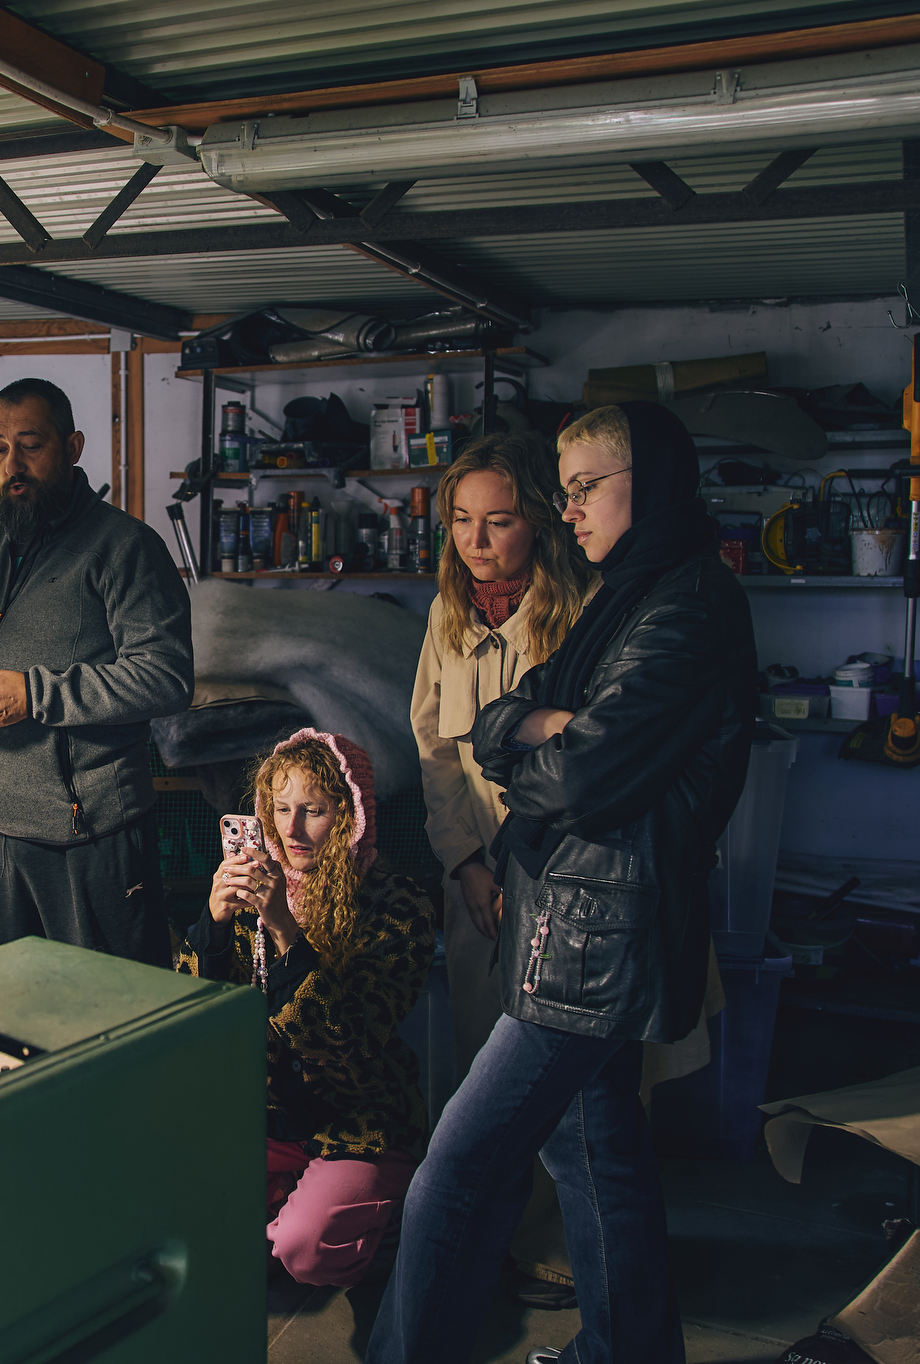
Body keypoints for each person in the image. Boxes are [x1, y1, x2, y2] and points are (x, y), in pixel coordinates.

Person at [371, 402, 756, 1364]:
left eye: (584, 489)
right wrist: (540, 732)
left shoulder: (678, 605)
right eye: (567, 490)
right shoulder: (638, 592)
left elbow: (578, 775)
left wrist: (537, 738)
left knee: (458, 1165)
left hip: (591, 927)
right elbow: (492, 731)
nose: (570, 508)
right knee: (596, 1152)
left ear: (646, 484)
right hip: (565, 902)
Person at [0, 377, 191, 965]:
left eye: (31, 445)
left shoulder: (125, 548)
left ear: (73, 446)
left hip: (87, 832)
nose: (12, 465)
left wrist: (34, 695)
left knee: (109, 1002)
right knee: (4, 996)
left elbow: (165, 676)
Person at [408, 431, 596, 1306]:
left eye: (499, 521)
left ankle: (555, 1248)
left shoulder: (584, 611)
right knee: (481, 1067)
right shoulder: (449, 617)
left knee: (562, 1079)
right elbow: (434, 749)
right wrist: (466, 864)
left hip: (561, 876)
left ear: (541, 523)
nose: (476, 542)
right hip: (478, 879)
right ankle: (484, 1239)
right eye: (460, 520)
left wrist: (522, 864)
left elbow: (595, 761)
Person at [177, 730, 438, 1288]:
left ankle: (380, 1209)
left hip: (356, 1117)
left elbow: (351, 1038)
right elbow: (190, 1021)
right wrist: (213, 929)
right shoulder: (254, 887)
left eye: (313, 811)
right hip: (264, 1114)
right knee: (172, 1195)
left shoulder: (398, 905)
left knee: (304, 1247)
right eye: (280, 809)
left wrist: (285, 930)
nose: (291, 830)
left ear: (350, 815)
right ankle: (285, 1193)